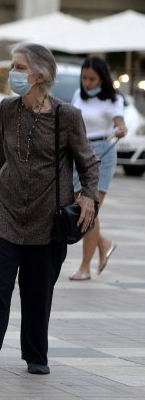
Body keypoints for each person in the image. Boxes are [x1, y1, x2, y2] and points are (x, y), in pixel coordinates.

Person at [0, 43, 99, 377]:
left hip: (46, 216)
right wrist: (1, 192)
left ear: (40, 75)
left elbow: (88, 162)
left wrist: (89, 198)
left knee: (37, 289)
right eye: (13, 66)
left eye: (19, 68)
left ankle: (36, 353)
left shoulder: (67, 116)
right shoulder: (7, 108)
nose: (13, 74)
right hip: (5, 211)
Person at [69, 57, 126, 281]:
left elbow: (119, 121)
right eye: (84, 78)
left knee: (89, 209)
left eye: (92, 79)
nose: (87, 83)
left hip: (102, 152)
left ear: (102, 78)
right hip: (78, 151)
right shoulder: (77, 95)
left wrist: (121, 128)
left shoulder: (114, 99)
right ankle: (103, 244)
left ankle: (85, 267)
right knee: (76, 206)